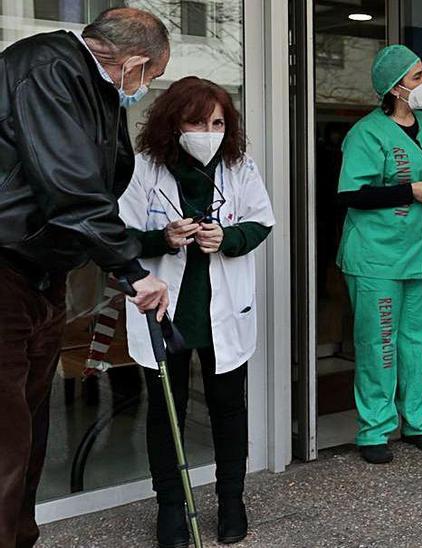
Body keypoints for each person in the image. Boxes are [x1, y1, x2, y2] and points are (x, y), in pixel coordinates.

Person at [0, 8, 170, 547]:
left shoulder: (92, 83)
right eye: (151, 78)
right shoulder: (48, 69)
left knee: (28, 432)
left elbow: (102, 187)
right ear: (135, 63)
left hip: (40, 275)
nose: (144, 90)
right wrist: (132, 272)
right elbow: (70, 188)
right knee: (5, 439)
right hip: (5, 271)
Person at [117, 77, 275, 547]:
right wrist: (161, 239)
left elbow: (261, 221)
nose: (209, 131)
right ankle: (171, 507)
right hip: (165, 310)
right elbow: (118, 234)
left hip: (222, 308)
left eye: (218, 122)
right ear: (172, 123)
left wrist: (228, 239)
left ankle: (231, 501)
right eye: (197, 121)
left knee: (229, 410)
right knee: (167, 413)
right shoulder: (144, 168)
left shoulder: (239, 165)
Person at [336, 45, 422, 464]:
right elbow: (352, 192)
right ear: (395, 87)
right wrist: (409, 191)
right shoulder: (366, 133)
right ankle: (373, 429)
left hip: (421, 253)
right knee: (378, 344)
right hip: (377, 257)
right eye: (417, 77)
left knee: (414, 342)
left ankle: (418, 422)